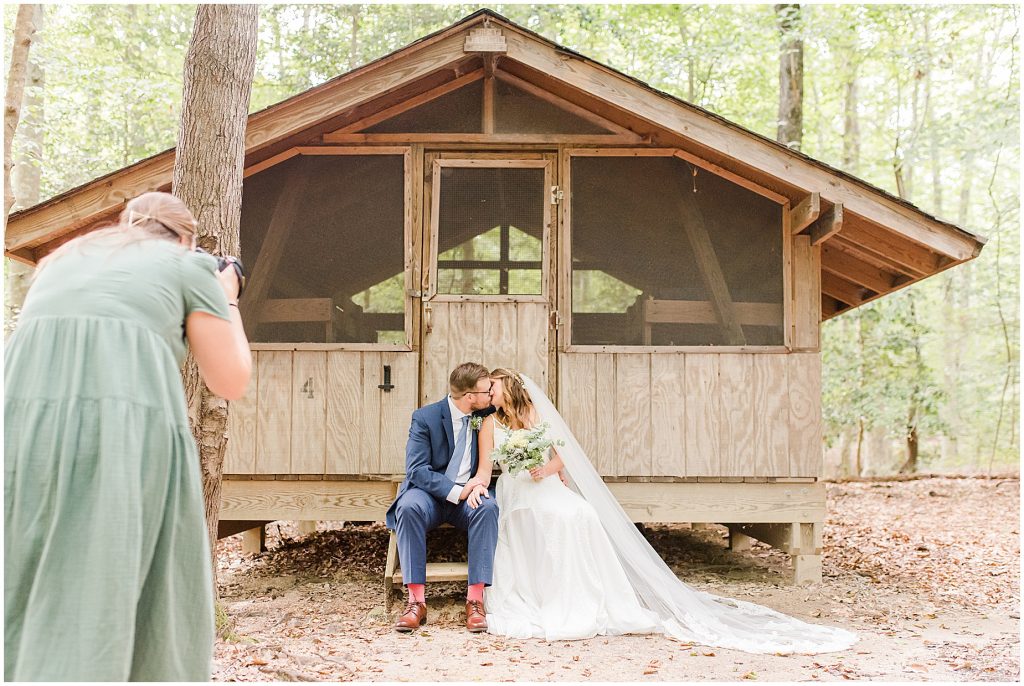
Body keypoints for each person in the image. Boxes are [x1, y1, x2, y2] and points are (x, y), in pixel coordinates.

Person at [4, 191, 252, 681]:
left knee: (27, 566)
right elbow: (230, 380)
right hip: (121, 425)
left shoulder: (62, 260)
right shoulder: (188, 267)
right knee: (121, 563)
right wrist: (226, 293)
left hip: (20, 428)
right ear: (185, 239)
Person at [466, 368, 858, 654]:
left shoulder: (537, 416)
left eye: (493, 387)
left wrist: (547, 468)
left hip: (546, 484)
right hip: (517, 491)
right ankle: (540, 596)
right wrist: (476, 486)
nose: (488, 393)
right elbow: (486, 469)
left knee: (579, 514)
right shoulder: (488, 425)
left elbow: (562, 458)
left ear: (509, 387)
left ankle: (586, 598)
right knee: (545, 517)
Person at [385, 362, 498, 633]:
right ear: (470, 397)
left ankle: (475, 600)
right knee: (408, 506)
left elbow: (523, 411)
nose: (492, 394)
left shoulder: (486, 414)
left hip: (468, 500)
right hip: (429, 497)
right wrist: (459, 491)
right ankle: (416, 602)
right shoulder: (426, 418)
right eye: (487, 390)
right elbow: (417, 470)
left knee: (488, 507)